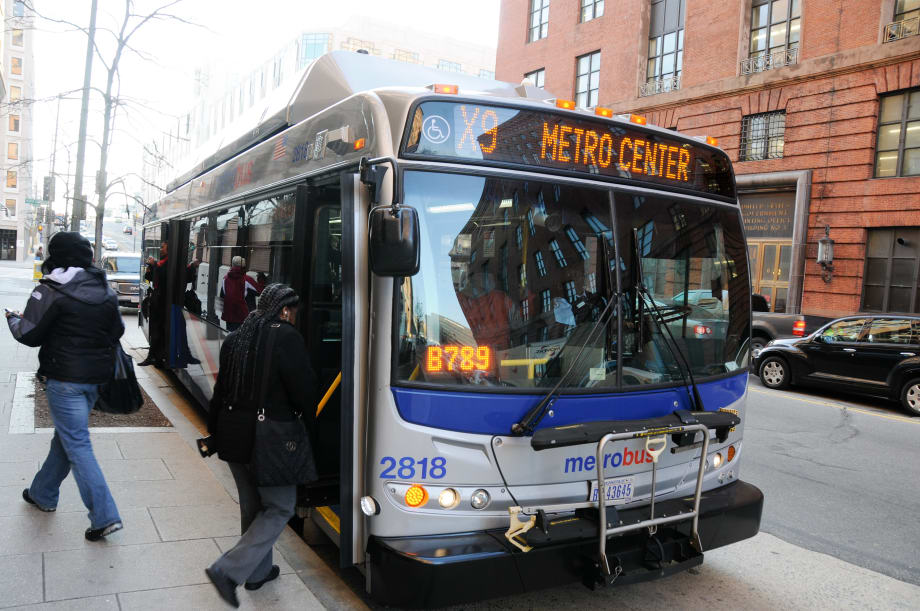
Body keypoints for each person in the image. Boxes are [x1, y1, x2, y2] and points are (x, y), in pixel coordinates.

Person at [6, 232, 124, 541]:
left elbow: (29, 335)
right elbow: (118, 330)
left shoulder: (49, 289)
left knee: (77, 444)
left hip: (65, 380)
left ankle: (105, 516)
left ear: (55, 255)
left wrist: (13, 320)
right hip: (97, 379)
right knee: (67, 438)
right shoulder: (104, 289)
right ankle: (42, 492)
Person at [204, 284, 317, 607]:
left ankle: (257, 573)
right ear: (285, 310)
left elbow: (220, 392)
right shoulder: (286, 337)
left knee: (253, 507)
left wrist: (214, 434)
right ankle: (228, 570)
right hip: (269, 439)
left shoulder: (237, 337)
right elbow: (304, 392)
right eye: (294, 311)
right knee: (280, 506)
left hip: (232, 435)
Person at [219, 256, 261, 332]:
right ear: (243, 267)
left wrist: (222, 312)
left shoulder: (225, 278)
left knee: (230, 334)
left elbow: (221, 296)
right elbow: (259, 291)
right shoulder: (247, 279)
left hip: (229, 316)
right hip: (243, 316)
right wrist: (261, 281)